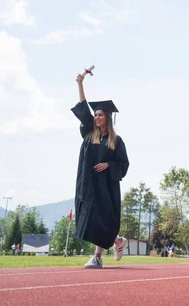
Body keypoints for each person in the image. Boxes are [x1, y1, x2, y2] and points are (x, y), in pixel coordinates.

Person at [72, 72, 130, 269]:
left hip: (106, 186)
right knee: (92, 219)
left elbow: (124, 164)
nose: (96, 117)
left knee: (101, 218)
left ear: (107, 118)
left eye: (100, 115)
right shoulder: (90, 133)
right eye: (95, 114)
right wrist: (80, 83)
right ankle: (117, 241)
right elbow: (82, 108)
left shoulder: (116, 141)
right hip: (88, 184)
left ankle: (97, 257)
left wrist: (108, 165)